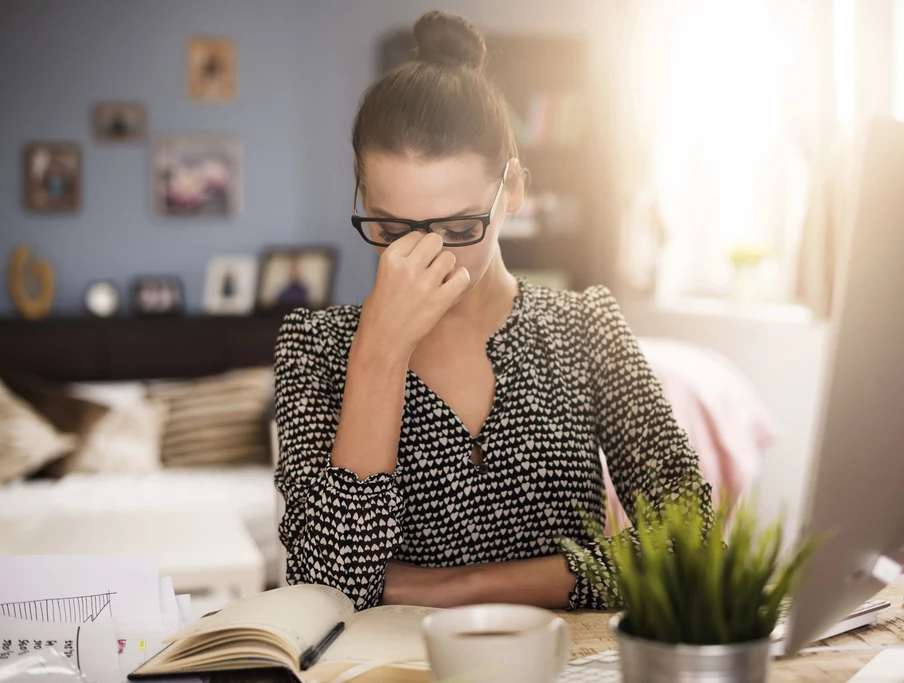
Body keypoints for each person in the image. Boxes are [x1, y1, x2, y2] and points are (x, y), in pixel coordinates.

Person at [273, 10, 712, 612]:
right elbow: (326, 588)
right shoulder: (315, 346)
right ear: (362, 201)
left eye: (458, 226)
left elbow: (690, 541)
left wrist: (458, 586)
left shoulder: (585, 327)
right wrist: (378, 354)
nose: (425, 252)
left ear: (514, 191)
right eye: (391, 226)